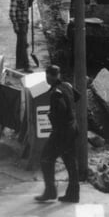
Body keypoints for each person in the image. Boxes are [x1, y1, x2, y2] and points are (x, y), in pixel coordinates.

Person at [35, 64, 81, 203]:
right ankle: (73, 194)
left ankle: (50, 191)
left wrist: (51, 115)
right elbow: (77, 97)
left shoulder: (56, 93)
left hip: (61, 132)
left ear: (49, 75)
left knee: (46, 158)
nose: (46, 79)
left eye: (46, 76)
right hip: (72, 128)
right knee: (70, 160)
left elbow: (61, 109)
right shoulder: (67, 85)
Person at [10, 0, 33, 72]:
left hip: (25, 23)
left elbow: (29, 6)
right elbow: (12, 12)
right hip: (20, 24)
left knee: (21, 44)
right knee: (23, 45)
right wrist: (15, 25)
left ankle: (19, 65)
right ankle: (26, 65)